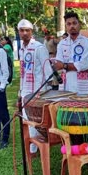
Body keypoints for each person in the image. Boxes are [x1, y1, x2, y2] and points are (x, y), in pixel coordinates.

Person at [17, 19, 53, 154]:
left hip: (38, 90)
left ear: (31, 32)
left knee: (37, 122)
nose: (24, 33)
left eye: (27, 30)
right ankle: (33, 147)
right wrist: (20, 92)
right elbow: (22, 72)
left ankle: (35, 149)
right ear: (19, 32)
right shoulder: (22, 49)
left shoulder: (39, 47)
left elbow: (47, 70)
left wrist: (43, 90)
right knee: (26, 119)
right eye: (22, 30)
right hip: (26, 89)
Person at [54, 12, 88, 95]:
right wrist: (78, 66)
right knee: (67, 106)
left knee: (84, 106)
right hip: (67, 84)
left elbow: (84, 65)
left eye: (74, 23)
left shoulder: (87, 42)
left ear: (79, 24)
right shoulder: (61, 44)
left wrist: (65, 66)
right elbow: (58, 65)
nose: (72, 26)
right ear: (66, 26)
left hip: (84, 84)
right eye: (68, 24)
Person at [0, 42, 10, 150]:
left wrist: (2, 87)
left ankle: (5, 138)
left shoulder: (0, 50)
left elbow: (5, 71)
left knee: (3, 113)